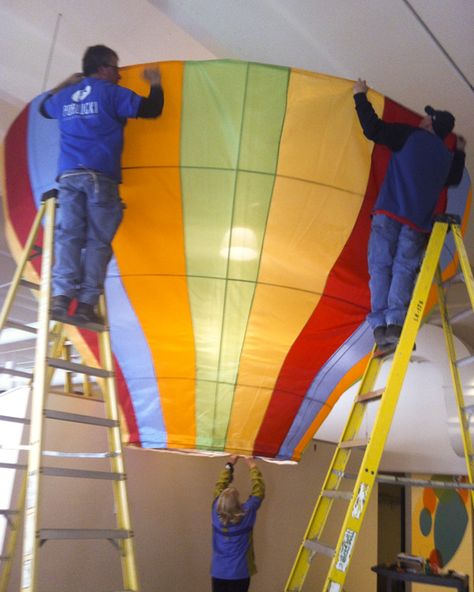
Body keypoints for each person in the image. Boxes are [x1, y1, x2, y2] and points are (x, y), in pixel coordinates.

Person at [40, 44, 164, 324]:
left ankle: (61, 298)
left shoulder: (66, 96)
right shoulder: (110, 92)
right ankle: (85, 305)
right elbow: (152, 109)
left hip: (69, 177)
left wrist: (66, 83)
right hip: (100, 176)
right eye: (116, 69)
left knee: (68, 236)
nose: (120, 76)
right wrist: (155, 82)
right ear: (104, 68)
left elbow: (42, 108)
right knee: (97, 242)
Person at [353, 79, 466, 350]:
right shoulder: (444, 157)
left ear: (430, 123)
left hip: (389, 213)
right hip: (416, 224)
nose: (423, 117)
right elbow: (454, 178)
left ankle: (380, 327)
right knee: (403, 269)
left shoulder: (410, 136)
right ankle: (393, 323)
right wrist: (460, 151)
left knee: (380, 267)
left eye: (427, 115)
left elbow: (373, 129)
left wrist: (359, 96)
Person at [211, 455, 265, 592]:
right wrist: (251, 463)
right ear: (237, 503)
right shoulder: (247, 513)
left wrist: (230, 463)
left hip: (219, 572)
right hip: (240, 573)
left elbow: (220, 485)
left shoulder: (215, 509)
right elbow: (259, 490)